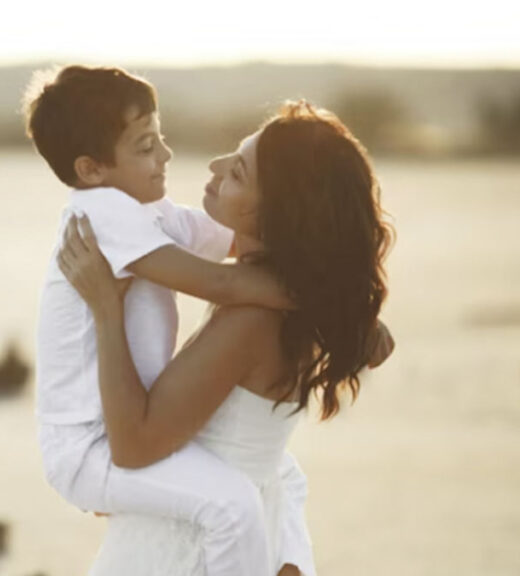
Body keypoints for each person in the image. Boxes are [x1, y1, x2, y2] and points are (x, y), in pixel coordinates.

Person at [57, 100, 394, 575]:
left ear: (276, 214)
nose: (214, 168)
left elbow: (133, 446)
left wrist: (106, 312)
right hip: (234, 518)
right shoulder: (292, 301)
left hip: (183, 551)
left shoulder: (252, 320)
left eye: (237, 173)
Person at [25, 65, 315, 576]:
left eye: (161, 138)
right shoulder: (101, 213)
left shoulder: (150, 214)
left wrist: (332, 275)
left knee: (281, 473)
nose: (166, 156)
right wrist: (320, 297)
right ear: (91, 170)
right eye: (144, 147)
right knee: (233, 504)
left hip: (121, 429)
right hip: (88, 446)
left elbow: (238, 243)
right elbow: (218, 282)